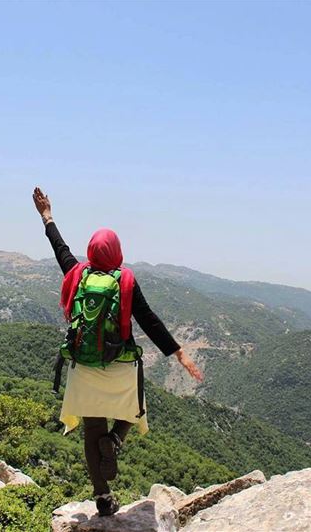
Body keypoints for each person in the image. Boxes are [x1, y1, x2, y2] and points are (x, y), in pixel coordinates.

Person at [32, 186, 203, 516]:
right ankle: (115, 440)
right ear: (116, 251)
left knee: (90, 430)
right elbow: (148, 319)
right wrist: (178, 352)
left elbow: (61, 250)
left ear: (92, 251)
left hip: (84, 366)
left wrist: (47, 217)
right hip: (118, 364)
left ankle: (102, 497)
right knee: (134, 406)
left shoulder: (78, 274)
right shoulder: (124, 281)